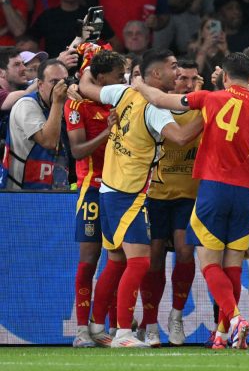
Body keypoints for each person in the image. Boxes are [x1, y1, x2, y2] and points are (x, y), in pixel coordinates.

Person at [132, 52, 249, 350]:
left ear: (225, 77)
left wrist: (139, 85)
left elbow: (163, 101)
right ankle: (224, 334)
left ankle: (237, 319)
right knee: (233, 264)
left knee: (210, 263)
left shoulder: (210, 99)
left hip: (213, 190)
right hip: (245, 194)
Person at [79, 48, 203, 348]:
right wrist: (213, 112)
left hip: (108, 187)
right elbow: (182, 137)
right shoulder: (154, 107)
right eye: (174, 67)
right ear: (157, 74)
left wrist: (84, 59)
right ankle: (123, 333)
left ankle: (96, 326)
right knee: (139, 262)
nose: (179, 73)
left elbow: (86, 87)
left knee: (117, 260)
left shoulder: (123, 92)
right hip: (129, 193)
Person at [137, 59, 202, 348]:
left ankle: (175, 318)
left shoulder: (202, 109)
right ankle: (150, 324)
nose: (187, 84)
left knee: (185, 252)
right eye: (182, 78)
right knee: (153, 259)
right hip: (155, 196)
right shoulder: (156, 109)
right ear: (172, 81)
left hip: (188, 196)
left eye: (193, 79)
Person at [65, 50, 122, 347]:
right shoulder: (77, 104)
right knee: (89, 260)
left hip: (121, 188)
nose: (122, 81)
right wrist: (109, 132)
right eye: (118, 77)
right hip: (91, 188)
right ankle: (81, 330)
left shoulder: (121, 100)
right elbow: (76, 151)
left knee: (119, 259)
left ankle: (109, 327)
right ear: (101, 79)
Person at [5, 59, 68, 190]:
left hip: (56, 190)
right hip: (23, 192)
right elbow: (49, 142)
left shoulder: (68, 105)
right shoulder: (26, 104)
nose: (60, 88)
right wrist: (58, 103)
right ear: (40, 85)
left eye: (64, 82)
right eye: (54, 82)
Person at [29, 0, 115, 57]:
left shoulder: (91, 16)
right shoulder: (46, 16)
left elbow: (115, 42)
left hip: (86, 68)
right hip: (55, 67)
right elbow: (30, 42)